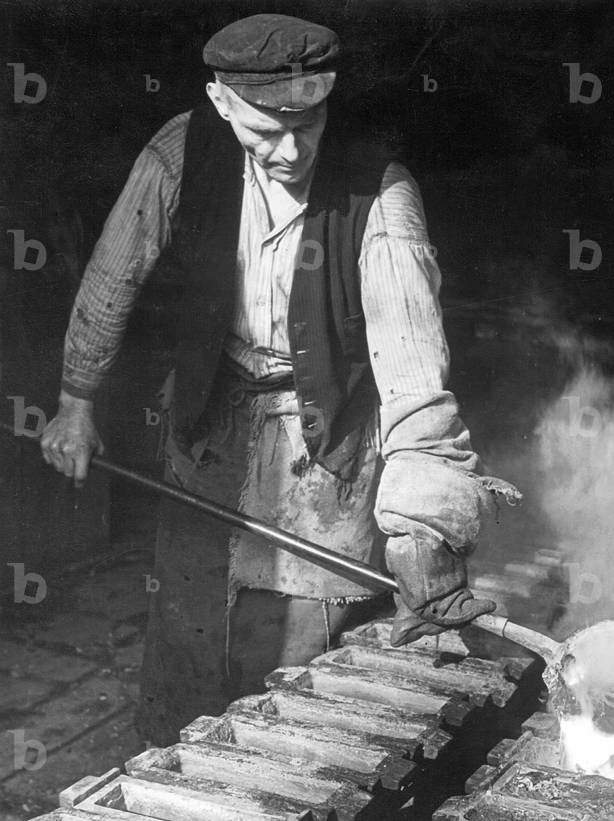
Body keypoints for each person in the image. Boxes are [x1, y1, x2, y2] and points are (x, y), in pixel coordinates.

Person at [41, 14, 520, 746]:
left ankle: (307, 819)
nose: (292, 149)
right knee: (191, 624)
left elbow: (414, 372)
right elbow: (114, 276)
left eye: (310, 122)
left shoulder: (378, 193)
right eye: (268, 129)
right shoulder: (181, 152)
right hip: (209, 426)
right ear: (222, 102)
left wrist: (426, 526)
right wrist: (77, 400)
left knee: (306, 657)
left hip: (326, 447)